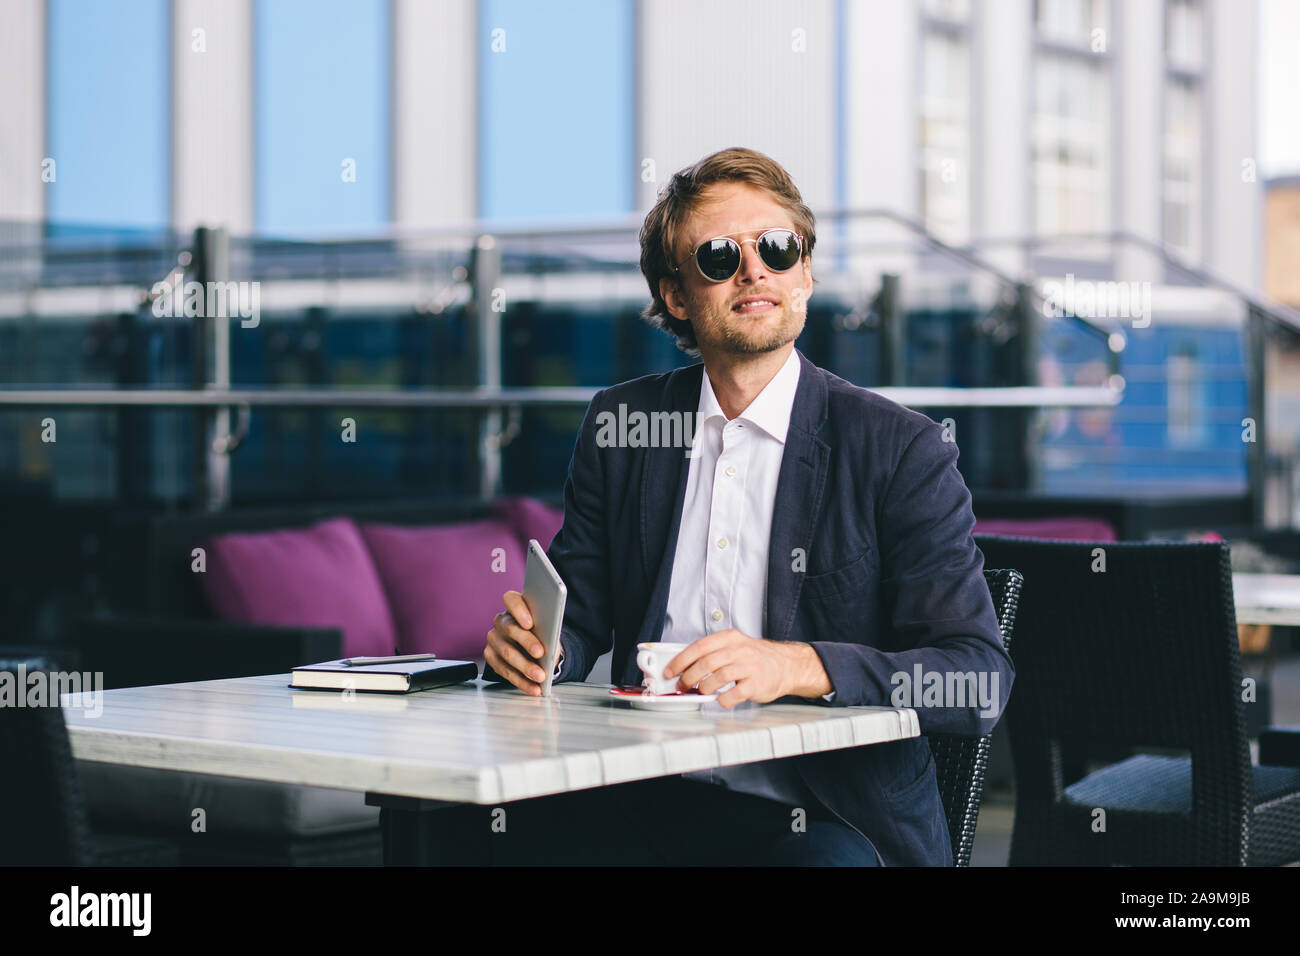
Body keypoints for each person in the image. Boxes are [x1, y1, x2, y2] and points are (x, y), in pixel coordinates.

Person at [480, 146, 1013, 866]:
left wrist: (797, 667)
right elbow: (577, 618)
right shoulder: (625, 425)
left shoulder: (898, 448)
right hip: (647, 790)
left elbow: (976, 678)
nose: (754, 270)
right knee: (467, 830)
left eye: (777, 248)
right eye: (718, 256)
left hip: (824, 818)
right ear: (675, 296)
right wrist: (540, 651)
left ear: (806, 273)